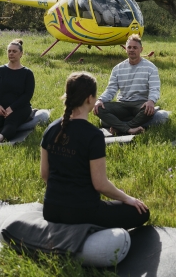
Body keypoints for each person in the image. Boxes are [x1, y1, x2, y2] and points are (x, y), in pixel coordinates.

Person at [40, 72, 150, 229]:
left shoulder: (50, 129)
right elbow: (100, 185)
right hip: (83, 213)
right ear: (89, 99)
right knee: (142, 212)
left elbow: (45, 175)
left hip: (51, 210)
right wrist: (127, 198)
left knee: (114, 201)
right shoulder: (93, 135)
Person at [93, 34, 161, 135]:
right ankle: (130, 128)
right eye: (129, 47)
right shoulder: (117, 69)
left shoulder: (151, 68)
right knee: (99, 109)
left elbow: (154, 88)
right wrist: (100, 100)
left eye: (135, 47)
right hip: (122, 104)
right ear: (125, 49)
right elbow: (111, 89)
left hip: (140, 104)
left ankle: (120, 127)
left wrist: (151, 101)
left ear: (141, 49)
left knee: (148, 111)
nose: (131, 50)